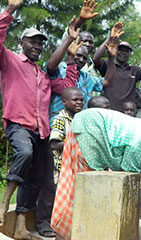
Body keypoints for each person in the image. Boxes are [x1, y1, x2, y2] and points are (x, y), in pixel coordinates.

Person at [0, 1, 80, 239]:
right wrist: (10, 10)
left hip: (41, 131)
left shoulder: (43, 75)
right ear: (21, 43)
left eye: (40, 43)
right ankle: (4, 203)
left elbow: (67, 86)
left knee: (36, 177)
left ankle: (22, 227)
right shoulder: (10, 62)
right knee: (24, 153)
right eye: (32, 41)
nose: (36, 46)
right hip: (18, 124)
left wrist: (72, 57)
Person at [51, 110, 141, 239]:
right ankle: (66, 234)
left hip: (97, 129)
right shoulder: (139, 142)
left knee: (96, 190)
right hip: (90, 128)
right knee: (82, 190)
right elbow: (129, 176)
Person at [93, 22, 141, 111]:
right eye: (120, 50)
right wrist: (110, 38)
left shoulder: (134, 70)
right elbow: (95, 59)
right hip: (109, 110)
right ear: (115, 49)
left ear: (130, 54)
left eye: (126, 51)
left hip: (128, 112)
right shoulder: (109, 64)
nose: (123, 52)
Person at [50, 88, 83, 184]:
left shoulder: (80, 119)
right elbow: (54, 145)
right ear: (64, 102)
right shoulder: (60, 120)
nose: (79, 102)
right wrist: (75, 143)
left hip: (77, 164)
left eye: (81, 100)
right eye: (75, 100)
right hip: (63, 165)